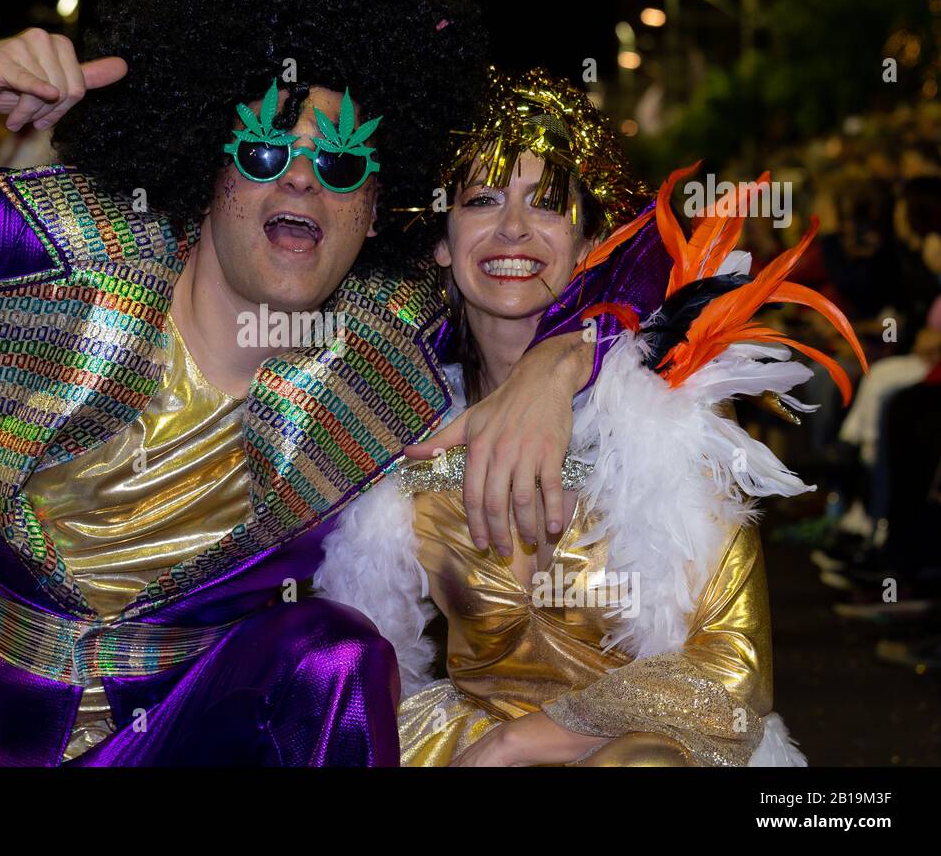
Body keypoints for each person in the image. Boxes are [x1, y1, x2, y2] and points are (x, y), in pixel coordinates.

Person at [0, 0, 649, 765]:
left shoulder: (386, 342)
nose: (302, 176)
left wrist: (558, 361)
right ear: (209, 168)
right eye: (263, 152)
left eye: (340, 166)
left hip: (188, 729)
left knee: (334, 656)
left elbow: (661, 269)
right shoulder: (56, 246)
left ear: (375, 209)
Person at [315, 68, 866, 766]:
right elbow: (363, 661)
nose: (512, 228)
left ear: (587, 250)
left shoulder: (671, 409)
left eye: (546, 205)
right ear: (442, 243)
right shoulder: (405, 433)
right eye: (483, 199)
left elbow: (733, 675)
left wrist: (518, 743)